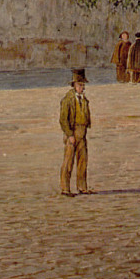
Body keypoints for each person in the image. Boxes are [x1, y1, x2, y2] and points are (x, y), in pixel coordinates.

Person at [59, 68, 92, 197]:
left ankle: (82, 187)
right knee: (68, 162)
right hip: (72, 134)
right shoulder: (67, 99)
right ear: (74, 85)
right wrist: (70, 135)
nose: (82, 88)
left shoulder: (84, 99)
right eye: (79, 85)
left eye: (83, 85)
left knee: (83, 161)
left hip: (82, 134)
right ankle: (65, 188)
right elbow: (63, 120)